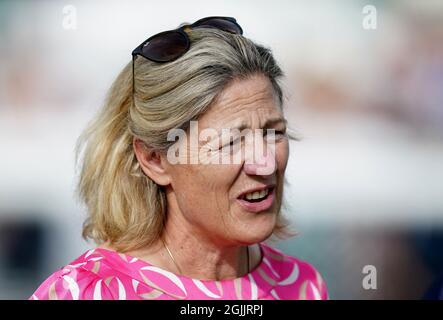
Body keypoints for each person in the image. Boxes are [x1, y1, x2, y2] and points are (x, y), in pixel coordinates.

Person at [30, 16, 328, 300]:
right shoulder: (84, 292)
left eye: (272, 132)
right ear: (155, 159)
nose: (265, 162)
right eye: (231, 142)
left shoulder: (303, 286)